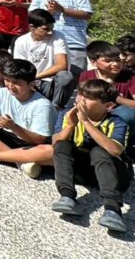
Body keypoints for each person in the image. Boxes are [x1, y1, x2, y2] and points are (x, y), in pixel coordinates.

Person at [50, 80, 131, 233]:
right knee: (62, 144)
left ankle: (113, 210)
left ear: (108, 106)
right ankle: (67, 196)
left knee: (99, 151)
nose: (80, 100)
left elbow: (114, 150)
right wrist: (70, 125)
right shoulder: (68, 114)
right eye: (80, 95)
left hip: (115, 175)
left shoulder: (117, 122)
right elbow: (55, 142)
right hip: (86, 173)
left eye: (88, 98)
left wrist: (86, 122)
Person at [30, 0, 93, 75]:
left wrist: (62, 9)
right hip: (47, 42)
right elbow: (32, 16)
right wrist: (48, 13)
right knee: (48, 76)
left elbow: (87, 14)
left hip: (74, 43)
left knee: (77, 77)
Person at [13, 9, 74, 109]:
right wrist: (29, 81)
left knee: (65, 76)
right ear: (32, 27)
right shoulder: (22, 41)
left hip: (50, 83)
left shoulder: (58, 36)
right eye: (46, 29)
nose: (50, 32)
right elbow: (20, 69)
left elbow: (62, 65)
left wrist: (36, 77)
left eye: (52, 28)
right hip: (30, 84)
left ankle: (56, 109)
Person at [78, 40, 135, 128]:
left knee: (124, 112)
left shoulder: (130, 77)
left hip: (120, 119)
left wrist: (117, 98)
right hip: (94, 115)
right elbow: (80, 100)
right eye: (108, 61)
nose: (115, 64)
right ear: (93, 62)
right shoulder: (86, 75)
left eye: (118, 60)